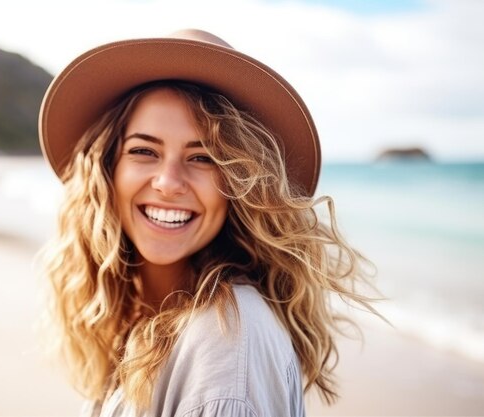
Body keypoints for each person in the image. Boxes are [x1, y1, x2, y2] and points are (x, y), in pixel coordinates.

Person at [38, 29, 378, 417]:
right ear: (107, 168)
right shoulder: (147, 320)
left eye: (204, 158)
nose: (167, 183)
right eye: (144, 150)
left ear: (244, 183)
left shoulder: (225, 340)